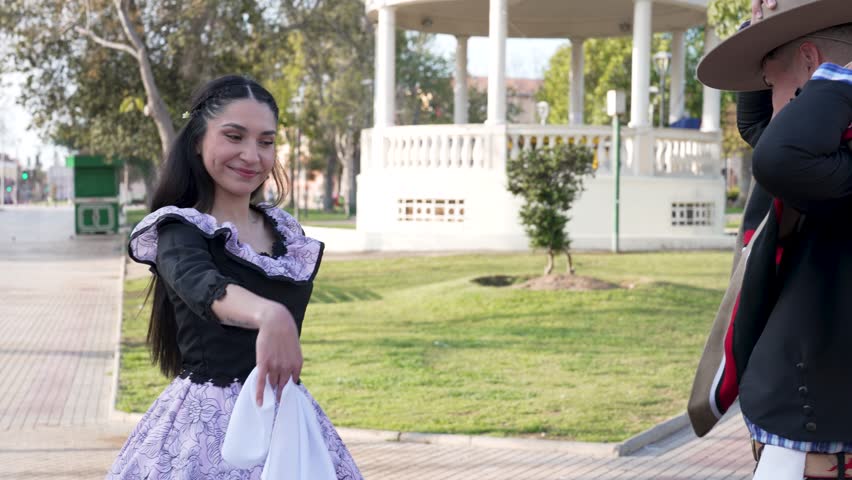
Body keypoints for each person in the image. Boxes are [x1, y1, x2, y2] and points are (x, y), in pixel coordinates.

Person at [106, 75, 362, 479]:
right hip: (204, 430)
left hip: (285, 424)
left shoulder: (283, 233)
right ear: (197, 141)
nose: (251, 155)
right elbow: (199, 282)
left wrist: (271, 316)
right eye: (234, 136)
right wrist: (268, 314)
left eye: (265, 141)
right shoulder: (180, 230)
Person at [697, 0, 852, 478]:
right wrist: (758, 33)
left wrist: (841, 74)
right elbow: (764, 136)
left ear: (812, 66)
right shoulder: (830, 158)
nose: (769, 100)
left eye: (771, 85)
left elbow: (778, 155)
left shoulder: (823, 165)